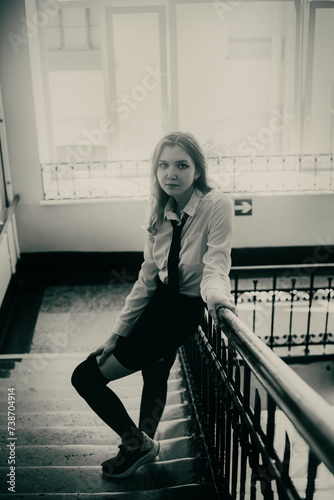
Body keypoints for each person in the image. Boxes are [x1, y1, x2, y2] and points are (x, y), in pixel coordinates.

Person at [71, 131, 235, 480]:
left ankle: (136, 445)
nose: (171, 173)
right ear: (155, 170)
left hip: (183, 311)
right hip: (158, 304)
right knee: (153, 372)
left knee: (84, 377)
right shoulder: (161, 208)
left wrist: (219, 301)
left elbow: (216, 265)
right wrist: (118, 332)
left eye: (181, 165)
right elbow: (148, 277)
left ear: (198, 170)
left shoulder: (217, 205)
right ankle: (141, 443)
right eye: (163, 165)